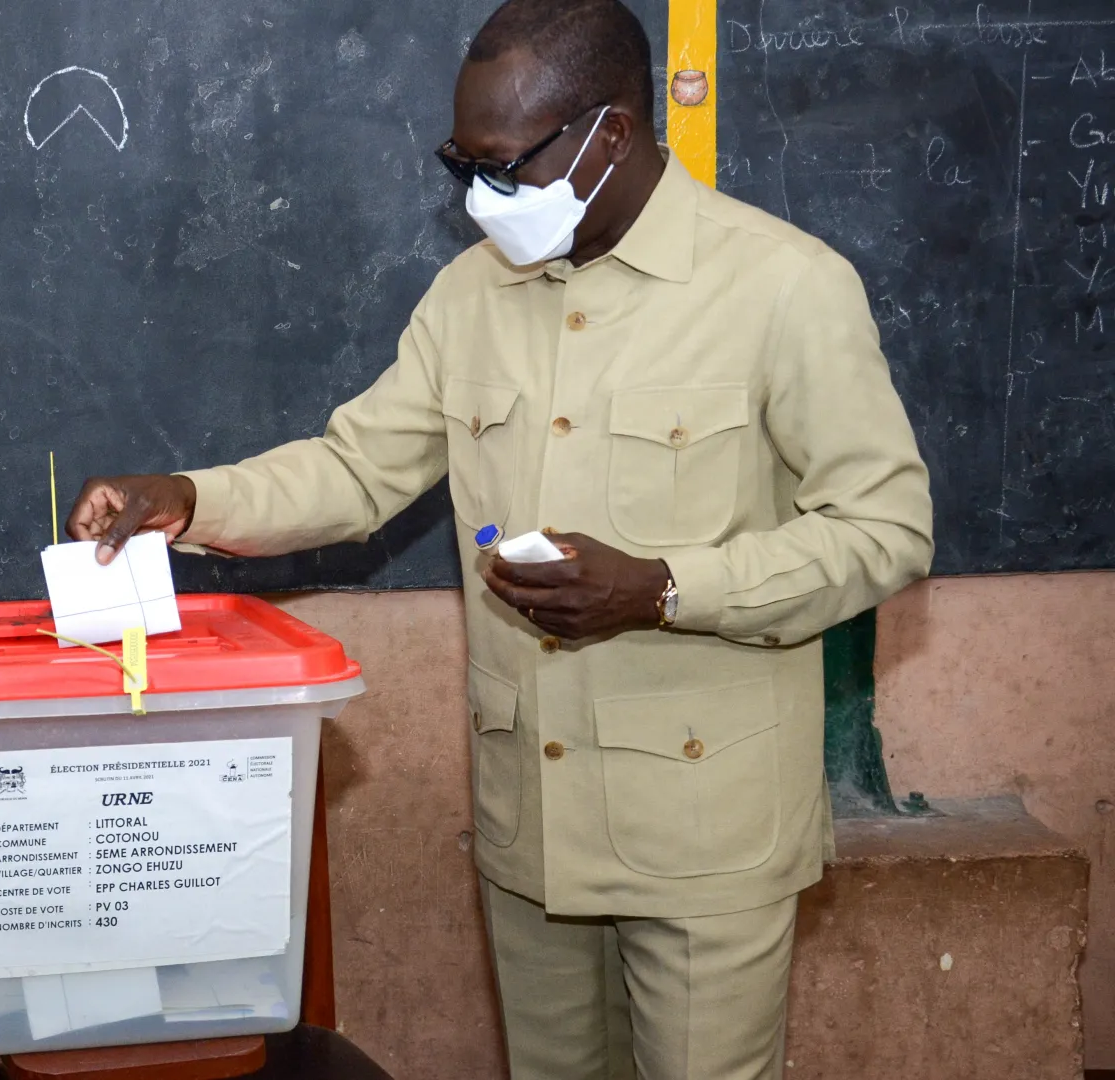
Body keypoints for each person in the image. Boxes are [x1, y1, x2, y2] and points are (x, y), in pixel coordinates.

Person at [65, 2, 933, 1077]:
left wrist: (663, 588)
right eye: (460, 164)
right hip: (535, 821)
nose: (483, 199)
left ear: (611, 135)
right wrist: (187, 498)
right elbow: (356, 467)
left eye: (506, 166)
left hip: (705, 833)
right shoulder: (473, 295)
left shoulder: (783, 287)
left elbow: (885, 530)